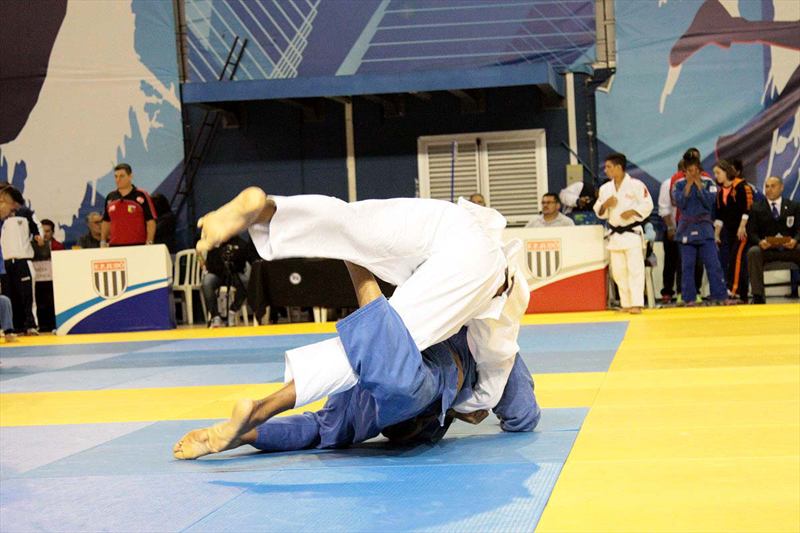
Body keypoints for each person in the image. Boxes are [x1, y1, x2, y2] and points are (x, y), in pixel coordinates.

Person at [195, 188, 529, 415]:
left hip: (446, 218)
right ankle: (267, 407)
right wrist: (470, 405)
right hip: (474, 264)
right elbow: (496, 369)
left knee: (352, 224)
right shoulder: (503, 301)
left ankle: (266, 210)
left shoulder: (484, 229)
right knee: (389, 340)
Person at [173, 261, 540, 460]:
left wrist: (247, 436)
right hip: (416, 387)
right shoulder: (494, 337)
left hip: (378, 382)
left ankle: (247, 428)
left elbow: (316, 428)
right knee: (395, 381)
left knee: (327, 417)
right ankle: (356, 265)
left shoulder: (472, 322)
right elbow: (523, 415)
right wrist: (468, 406)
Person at [593, 153, 653, 314]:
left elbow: (648, 204)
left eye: (609, 167)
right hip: (615, 235)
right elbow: (599, 211)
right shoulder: (605, 189)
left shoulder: (636, 185)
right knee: (618, 272)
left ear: (619, 167)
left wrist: (633, 211)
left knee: (635, 270)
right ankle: (626, 303)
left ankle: (637, 304)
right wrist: (605, 205)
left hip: (632, 233)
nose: (605, 170)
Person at [672, 157, 729, 305]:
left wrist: (699, 187)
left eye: (696, 170)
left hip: (704, 228)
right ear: (684, 171)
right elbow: (679, 203)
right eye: (690, 171)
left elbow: (710, 203)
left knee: (713, 263)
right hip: (686, 227)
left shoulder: (709, 183)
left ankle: (720, 296)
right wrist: (688, 187)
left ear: (700, 170)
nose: (693, 173)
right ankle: (689, 298)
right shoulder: (678, 184)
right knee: (687, 266)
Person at [746, 176, 800, 304]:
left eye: (773, 186)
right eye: (767, 186)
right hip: (767, 250)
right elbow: (751, 232)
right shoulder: (756, 207)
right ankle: (758, 296)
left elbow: (799, 229)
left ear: (781, 188)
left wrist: (795, 240)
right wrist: (759, 242)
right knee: (753, 252)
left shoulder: (793, 206)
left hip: (789, 249)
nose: (769, 189)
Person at [0, 185, 43, 334]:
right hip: (5, 261)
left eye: (14, 210)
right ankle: (9, 326)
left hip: (22, 259)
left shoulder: (25, 212)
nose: (11, 213)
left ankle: (30, 324)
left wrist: (38, 236)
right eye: (12, 209)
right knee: (6, 296)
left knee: (26, 295)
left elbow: (37, 227)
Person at [713, 160, 753, 302]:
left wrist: (742, 226)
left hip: (743, 231)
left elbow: (748, 208)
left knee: (736, 258)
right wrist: (716, 234)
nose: (716, 176)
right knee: (736, 261)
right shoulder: (720, 193)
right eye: (715, 173)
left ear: (726, 172)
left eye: (718, 173)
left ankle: (732, 290)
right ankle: (743, 294)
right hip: (729, 232)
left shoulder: (742, 186)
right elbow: (719, 216)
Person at [201, 235, 257, 327]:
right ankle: (215, 316)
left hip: (235, 273)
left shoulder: (240, 242)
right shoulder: (214, 241)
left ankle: (233, 310)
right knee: (207, 282)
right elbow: (209, 263)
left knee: (246, 281)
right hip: (217, 274)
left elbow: (247, 261)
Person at [100, 163, 156, 247]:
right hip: (114, 246)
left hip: (138, 245)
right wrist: (103, 241)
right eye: (116, 176)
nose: (118, 179)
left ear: (130, 176)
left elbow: (150, 221)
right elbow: (106, 221)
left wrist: (149, 242)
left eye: (122, 176)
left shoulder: (142, 195)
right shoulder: (110, 197)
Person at [658, 161, 683, 303]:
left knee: (686, 261)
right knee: (670, 260)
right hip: (672, 225)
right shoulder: (668, 184)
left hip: (687, 226)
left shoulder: (692, 183)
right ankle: (667, 291)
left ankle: (683, 291)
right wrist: (670, 227)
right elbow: (664, 208)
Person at [32, 218, 62, 332]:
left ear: (53, 232)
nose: (45, 234)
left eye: (48, 231)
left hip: (53, 281)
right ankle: (40, 325)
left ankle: (53, 325)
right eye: (42, 231)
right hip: (37, 280)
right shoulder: (29, 247)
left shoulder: (58, 246)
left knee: (51, 303)